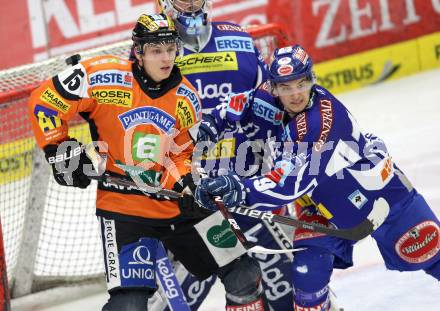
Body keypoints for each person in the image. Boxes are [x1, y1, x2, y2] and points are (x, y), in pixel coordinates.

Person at [28, 13, 269, 311]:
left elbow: (180, 156)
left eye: (171, 49)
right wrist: (59, 148)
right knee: (129, 305)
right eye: (156, 50)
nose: (166, 58)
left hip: (176, 207)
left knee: (244, 274)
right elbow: (45, 99)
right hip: (124, 208)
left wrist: (190, 184)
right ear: (139, 52)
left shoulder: (186, 99)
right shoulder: (102, 76)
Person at [195, 44, 440, 310]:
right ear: (273, 87)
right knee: (307, 275)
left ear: (312, 79)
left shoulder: (319, 122)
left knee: (430, 255)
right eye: (286, 87)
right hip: (323, 208)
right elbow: (238, 104)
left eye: (301, 84)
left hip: (380, 199)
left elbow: (289, 183)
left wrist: (239, 189)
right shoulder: (267, 96)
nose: (295, 94)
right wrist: (209, 127)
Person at [143, 1, 296, 310]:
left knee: (290, 291)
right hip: (191, 200)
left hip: (249, 188)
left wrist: (282, 172)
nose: (189, 3)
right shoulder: (153, 52)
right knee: (178, 300)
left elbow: (273, 110)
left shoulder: (239, 40)